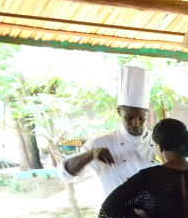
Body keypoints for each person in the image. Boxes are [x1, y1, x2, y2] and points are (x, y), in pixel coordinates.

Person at [59, 63, 154, 199]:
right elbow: (66, 175)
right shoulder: (101, 142)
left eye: (141, 118)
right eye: (129, 117)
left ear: (147, 114)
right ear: (119, 112)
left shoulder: (158, 143)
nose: (136, 123)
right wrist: (91, 154)